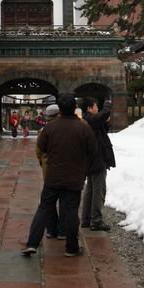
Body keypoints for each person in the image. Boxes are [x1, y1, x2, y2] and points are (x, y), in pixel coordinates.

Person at [22, 94, 95, 257]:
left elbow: (43, 148)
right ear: (74, 107)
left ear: (59, 108)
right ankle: (71, 247)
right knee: (70, 210)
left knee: (44, 208)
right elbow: (92, 151)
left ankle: (32, 243)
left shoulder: (50, 128)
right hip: (74, 176)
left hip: (53, 175)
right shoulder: (83, 127)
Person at [80, 97, 116, 231]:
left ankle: (86, 219)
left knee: (90, 190)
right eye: (96, 106)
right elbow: (103, 114)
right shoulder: (89, 119)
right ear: (90, 108)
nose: (97, 109)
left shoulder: (90, 120)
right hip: (97, 160)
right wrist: (107, 104)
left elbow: (101, 131)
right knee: (98, 191)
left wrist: (105, 123)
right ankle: (96, 220)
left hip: (93, 160)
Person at [35, 104, 62, 239]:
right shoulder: (65, 128)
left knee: (48, 201)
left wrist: (43, 162)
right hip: (64, 169)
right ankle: (63, 230)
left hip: (48, 169)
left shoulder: (43, 130)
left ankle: (51, 229)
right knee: (65, 199)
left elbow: (38, 151)